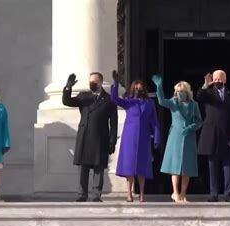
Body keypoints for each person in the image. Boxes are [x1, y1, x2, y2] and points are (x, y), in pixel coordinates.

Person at [62, 72, 118, 202]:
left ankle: (96, 195)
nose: (91, 84)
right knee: (83, 168)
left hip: (101, 138)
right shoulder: (84, 96)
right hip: (85, 136)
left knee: (99, 168)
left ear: (100, 83)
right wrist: (68, 88)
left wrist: (112, 142)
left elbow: (114, 123)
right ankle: (82, 194)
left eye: (94, 82)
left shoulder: (109, 99)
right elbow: (67, 101)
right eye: (90, 82)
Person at [110, 70, 160, 202]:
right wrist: (115, 83)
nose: (138, 90)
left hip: (143, 137)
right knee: (129, 166)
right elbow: (114, 99)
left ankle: (142, 193)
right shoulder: (129, 102)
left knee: (142, 166)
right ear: (133, 90)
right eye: (136, 88)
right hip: (130, 137)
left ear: (144, 89)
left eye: (140, 88)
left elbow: (154, 122)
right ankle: (129, 193)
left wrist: (156, 137)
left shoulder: (149, 103)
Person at [153, 75, 203, 202]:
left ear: (188, 92)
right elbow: (161, 101)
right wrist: (159, 88)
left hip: (189, 136)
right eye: (178, 91)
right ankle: (175, 192)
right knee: (175, 166)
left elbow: (199, 121)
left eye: (183, 91)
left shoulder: (194, 105)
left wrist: (191, 127)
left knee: (187, 167)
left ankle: (183, 193)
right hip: (175, 136)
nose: (180, 94)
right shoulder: (174, 102)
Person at [197, 70, 230, 202]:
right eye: (215, 79)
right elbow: (199, 96)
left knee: (228, 166)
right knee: (212, 166)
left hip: (228, 134)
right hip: (212, 134)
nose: (217, 81)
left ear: (225, 80)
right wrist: (205, 85)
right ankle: (213, 193)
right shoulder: (208, 93)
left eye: (219, 79)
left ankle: (228, 194)